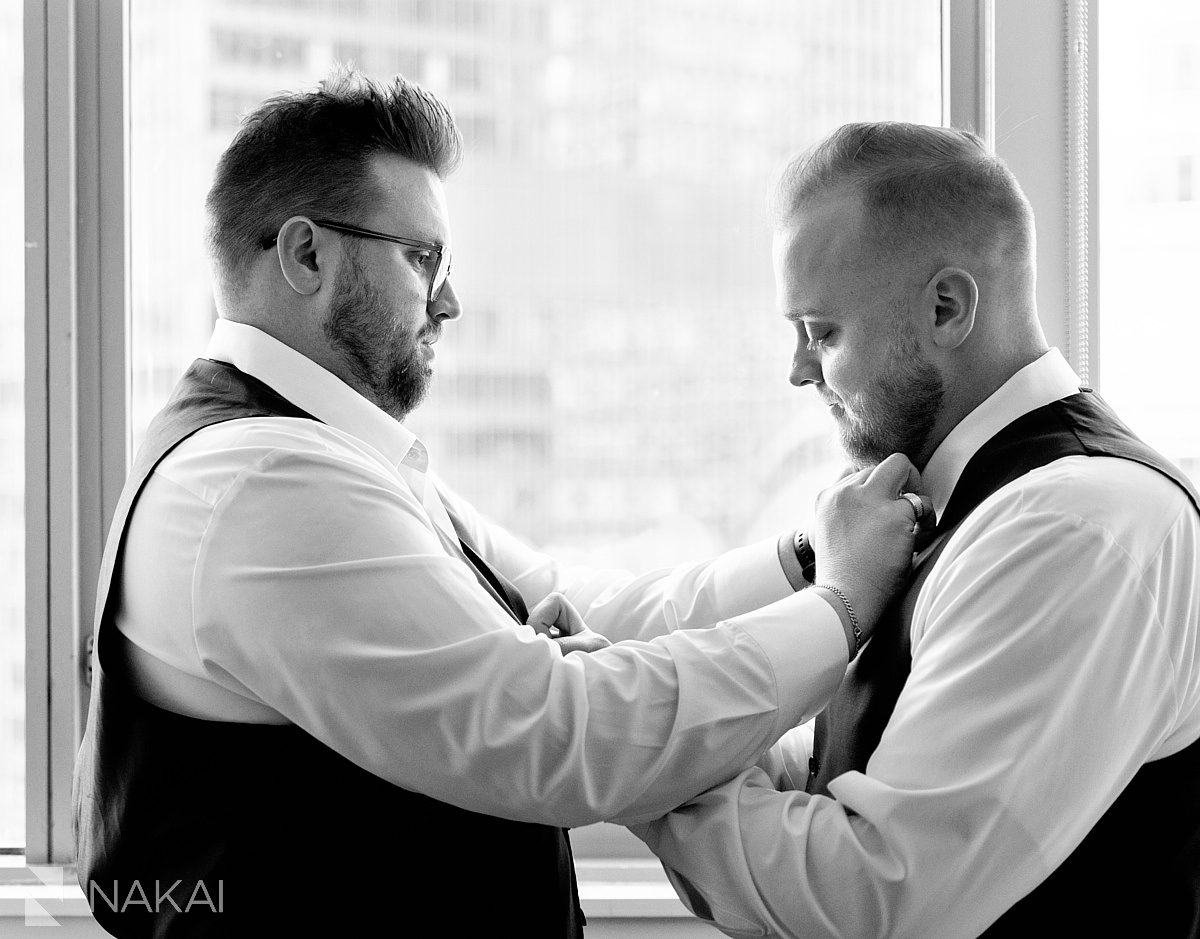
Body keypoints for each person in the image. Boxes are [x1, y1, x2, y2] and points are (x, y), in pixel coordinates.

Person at [71, 73, 929, 937]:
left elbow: (582, 601)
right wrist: (841, 610)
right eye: (422, 258)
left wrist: (812, 556)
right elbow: (558, 737)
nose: (448, 300)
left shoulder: (322, 450)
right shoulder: (264, 484)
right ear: (306, 257)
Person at [631, 121, 1200, 938]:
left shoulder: (1070, 528)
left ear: (947, 307)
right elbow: (849, 771)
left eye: (822, 331)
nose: (798, 369)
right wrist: (661, 727)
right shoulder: (960, 504)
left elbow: (881, 902)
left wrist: (642, 772)